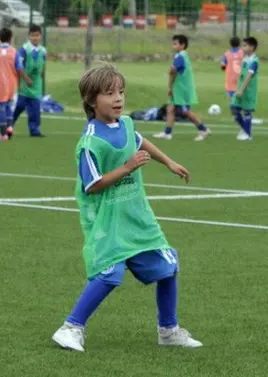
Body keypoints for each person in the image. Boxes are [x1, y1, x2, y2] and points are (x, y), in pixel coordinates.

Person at [51, 63, 203, 352]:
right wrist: (128, 167)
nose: (118, 98)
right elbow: (92, 184)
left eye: (121, 91)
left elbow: (140, 141)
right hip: (108, 221)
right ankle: (70, 328)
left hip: (137, 216)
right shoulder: (90, 142)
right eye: (110, 93)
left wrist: (168, 162)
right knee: (109, 274)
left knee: (168, 266)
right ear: (92, 100)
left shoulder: (126, 124)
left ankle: (168, 330)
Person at [153, 34, 210, 142]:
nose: (173, 46)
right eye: (173, 43)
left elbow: (172, 71)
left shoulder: (181, 56)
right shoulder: (180, 56)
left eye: (175, 43)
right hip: (178, 88)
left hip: (181, 90)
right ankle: (167, 133)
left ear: (182, 45)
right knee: (170, 109)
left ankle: (203, 129)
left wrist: (169, 86)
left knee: (185, 112)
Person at [11, 24, 47, 138]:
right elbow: (19, 66)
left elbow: (43, 65)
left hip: (36, 84)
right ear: (29, 36)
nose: (35, 38)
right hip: (25, 84)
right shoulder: (24, 49)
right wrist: (26, 78)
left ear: (40, 36)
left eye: (37, 35)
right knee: (19, 106)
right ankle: (9, 125)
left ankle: (34, 130)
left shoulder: (43, 50)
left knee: (35, 109)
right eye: (33, 36)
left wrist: (40, 77)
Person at [231, 37, 259, 141]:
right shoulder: (244, 59)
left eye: (245, 45)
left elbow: (249, 76)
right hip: (240, 88)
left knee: (247, 111)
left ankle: (247, 134)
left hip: (249, 90)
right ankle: (245, 129)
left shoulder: (255, 61)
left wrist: (242, 89)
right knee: (234, 108)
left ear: (252, 47)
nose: (242, 48)